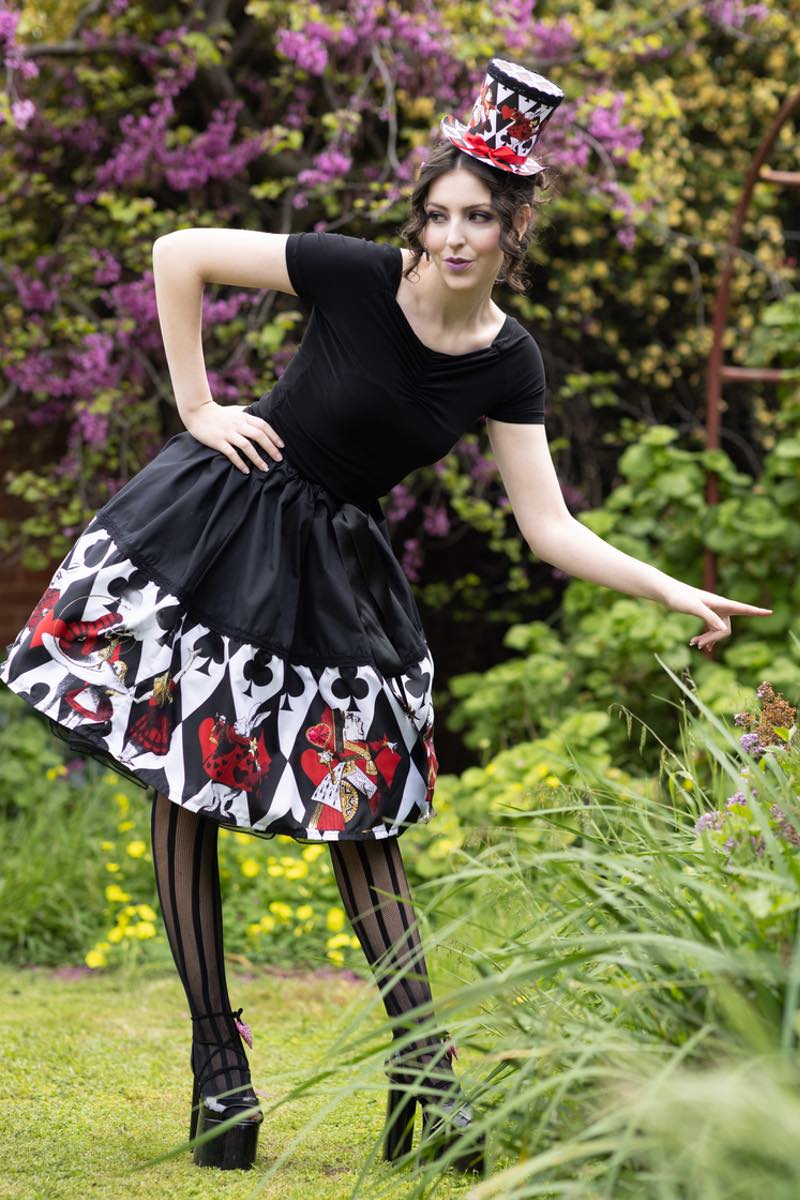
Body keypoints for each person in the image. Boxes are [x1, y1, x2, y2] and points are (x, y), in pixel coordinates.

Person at [0, 56, 773, 1174]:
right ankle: (222, 1076)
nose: (453, 236)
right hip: (222, 527)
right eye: (438, 214)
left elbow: (547, 527)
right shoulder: (355, 275)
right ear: (418, 222)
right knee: (185, 786)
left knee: (360, 816)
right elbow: (179, 254)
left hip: (334, 574)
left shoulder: (507, 363)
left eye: (479, 218)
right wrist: (198, 403)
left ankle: (427, 1081)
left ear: (515, 231)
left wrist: (663, 584)